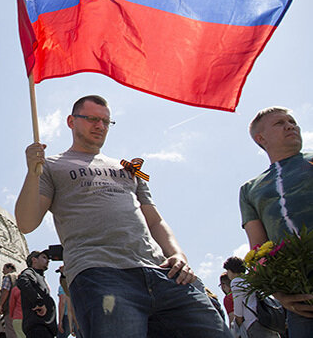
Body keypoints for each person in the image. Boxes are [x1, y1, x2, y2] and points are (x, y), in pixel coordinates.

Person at [16, 95, 230, 337]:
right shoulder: (50, 166)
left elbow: (155, 219)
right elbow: (26, 223)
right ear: (71, 121)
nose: (100, 126)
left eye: (107, 121)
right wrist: (32, 174)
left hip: (163, 272)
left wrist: (178, 254)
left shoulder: (130, 168)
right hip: (100, 273)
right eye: (92, 119)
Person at [239, 106, 313, 337]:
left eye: (292, 121)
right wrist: (280, 293)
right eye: (280, 123)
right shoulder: (250, 189)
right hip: (299, 296)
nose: (291, 125)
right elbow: (258, 248)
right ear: (261, 138)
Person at [223, 256, 280, 338]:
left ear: (231, 270)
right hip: (267, 320)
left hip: (253, 322)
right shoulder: (250, 279)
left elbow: (238, 308)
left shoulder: (236, 281)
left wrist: (237, 324)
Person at [16, 251, 57, 338]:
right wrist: (39, 302)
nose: (48, 261)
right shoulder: (30, 272)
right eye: (44, 257)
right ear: (34, 260)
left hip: (46, 328)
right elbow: (22, 281)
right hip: (38, 327)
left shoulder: (39, 276)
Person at [0, 263, 17, 338]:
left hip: (10, 309)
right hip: (21, 310)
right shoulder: (21, 277)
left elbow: (5, 291)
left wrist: (0, 304)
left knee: (11, 332)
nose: (3, 271)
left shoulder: (8, 277)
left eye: (4, 269)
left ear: (10, 268)